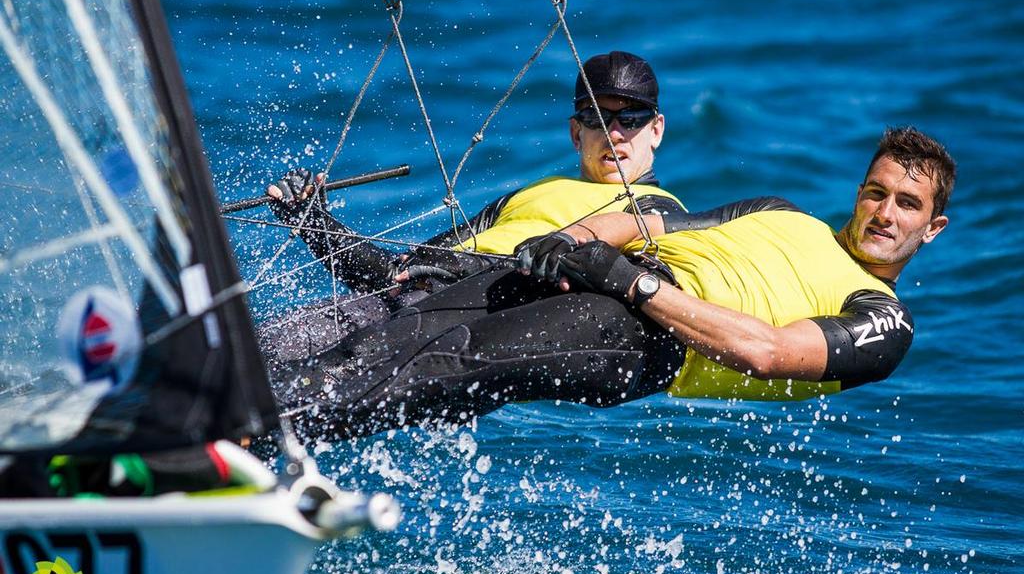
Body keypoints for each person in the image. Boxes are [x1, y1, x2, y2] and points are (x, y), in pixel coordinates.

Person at [274, 126, 955, 440]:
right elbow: (651, 222)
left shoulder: (884, 318)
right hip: (608, 279)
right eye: (877, 192)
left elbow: (767, 351)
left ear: (933, 228)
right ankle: (243, 401)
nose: (884, 212)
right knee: (393, 330)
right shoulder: (783, 212)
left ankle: (259, 436)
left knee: (447, 357)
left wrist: (637, 289)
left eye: (906, 204)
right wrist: (564, 243)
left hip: (645, 336)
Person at [259, 51, 685, 363]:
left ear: (656, 130)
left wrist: (473, 269)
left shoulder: (656, 215)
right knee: (250, 346)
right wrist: (310, 219)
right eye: (596, 118)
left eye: (630, 119)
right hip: (392, 313)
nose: (614, 133)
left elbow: (588, 290)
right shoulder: (525, 197)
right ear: (576, 133)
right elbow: (395, 276)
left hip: (446, 340)